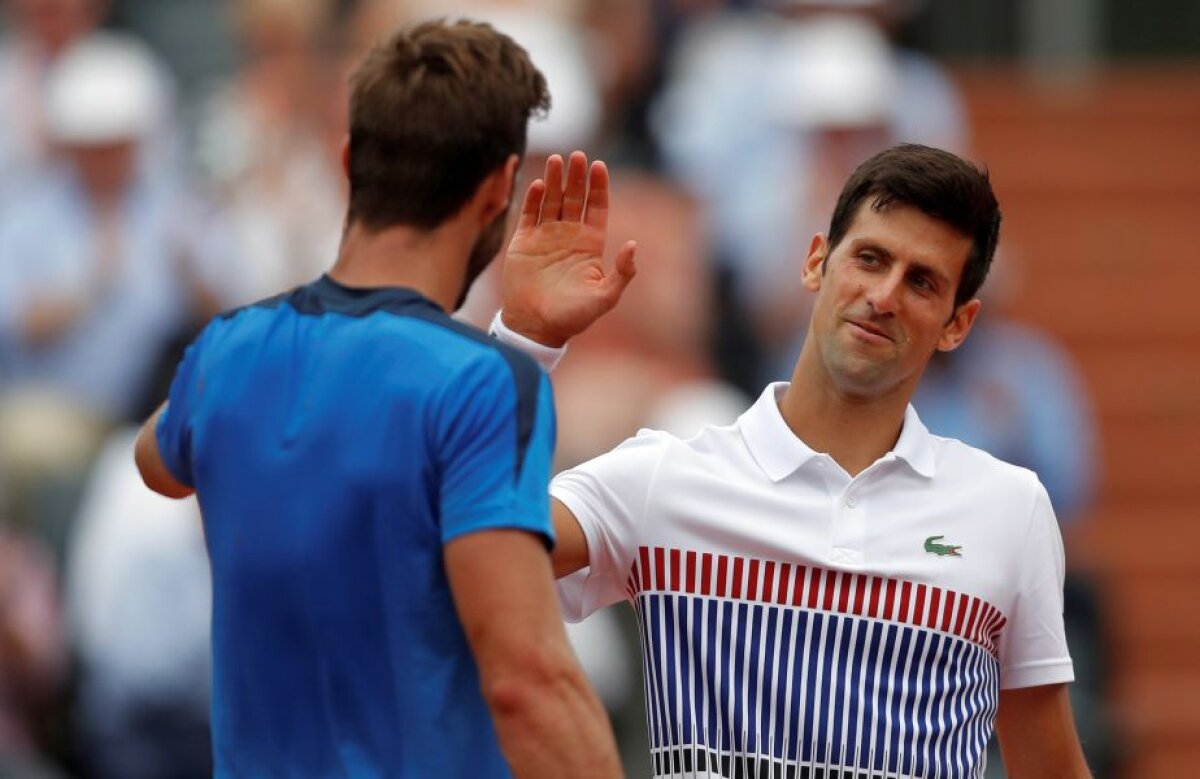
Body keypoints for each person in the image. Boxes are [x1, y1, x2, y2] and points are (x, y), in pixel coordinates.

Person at [493, 144, 1091, 777]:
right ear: (815, 263)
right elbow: (471, 544)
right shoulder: (660, 480)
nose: (884, 296)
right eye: (870, 258)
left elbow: (1050, 763)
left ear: (957, 324)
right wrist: (525, 338)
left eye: (922, 282)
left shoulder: (1010, 509)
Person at [133, 20, 623, 778]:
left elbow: (158, 459)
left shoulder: (227, 354)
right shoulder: (482, 384)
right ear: (499, 188)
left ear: (348, 162)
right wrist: (507, 353)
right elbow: (528, 679)